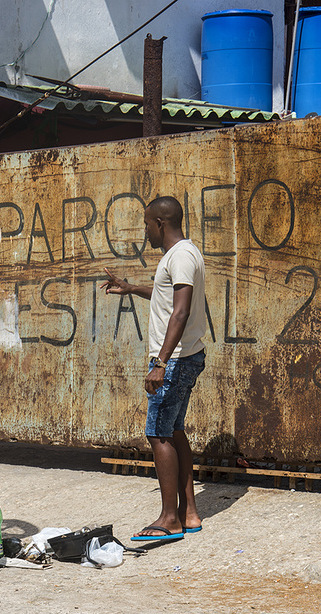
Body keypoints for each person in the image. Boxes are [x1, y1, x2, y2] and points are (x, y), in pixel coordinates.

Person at [102, 196, 208, 542]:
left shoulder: (179, 256)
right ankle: (189, 513)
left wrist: (160, 362)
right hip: (184, 355)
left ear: (161, 223)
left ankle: (169, 518)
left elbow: (180, 311)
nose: (145, 230)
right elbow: (168, 299)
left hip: (174, 359)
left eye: (147, 223)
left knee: (159, 432)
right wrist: (132, 288)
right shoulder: (184, 255)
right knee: (174, 430)